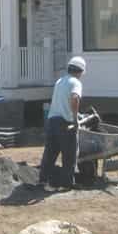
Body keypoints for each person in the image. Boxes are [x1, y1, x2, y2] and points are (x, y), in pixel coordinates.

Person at [39, 56, 86, 190]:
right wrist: (76, 119)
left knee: (50, 153)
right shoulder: (76, 82)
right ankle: (67, 184)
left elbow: (62, 101)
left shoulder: (60, 81)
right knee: (69, 154)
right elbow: (75, 99)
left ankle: (43, 180)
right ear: (80, 71)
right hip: (66, 124)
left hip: (52, 121)